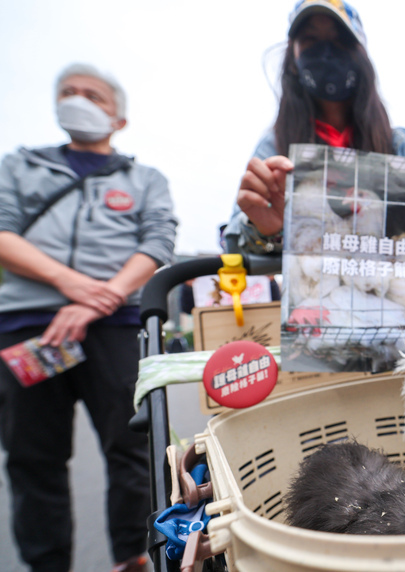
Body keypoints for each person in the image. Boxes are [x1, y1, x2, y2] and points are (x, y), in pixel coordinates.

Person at [0, 63, 178, 571]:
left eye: (93, 95)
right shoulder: (19, 166)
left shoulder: (145, 179)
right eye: (68, 92)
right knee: (33, 457)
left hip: (117, 325)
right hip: (29, 326)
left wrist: (100, 299)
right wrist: (72, 285)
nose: (77, 100)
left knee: (133, 447)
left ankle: (133, 556)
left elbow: (157, 241)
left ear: (119, 119)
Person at [224, 0, 405, 262]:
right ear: (292, 58)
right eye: (310, 39)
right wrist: (262, 227)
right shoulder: (275, 150)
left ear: (360, 54)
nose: (326, 52)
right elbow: (236, 242)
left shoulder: (400, 145)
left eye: (339, 40)